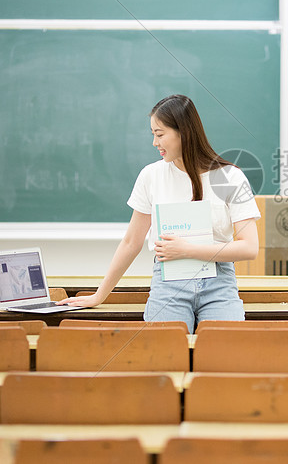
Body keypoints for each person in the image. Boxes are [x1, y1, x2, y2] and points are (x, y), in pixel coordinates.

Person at [58, 94, 260, 332]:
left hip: (219, 281)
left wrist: (188, 250)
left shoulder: (230, 176)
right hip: (169, 282)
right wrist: (98, 296)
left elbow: (249, 248)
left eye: (160, 134)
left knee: (222, 350)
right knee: (165, 349)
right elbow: (131, 242)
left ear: (183, 132)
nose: (154, 142)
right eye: (153, 134)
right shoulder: (151, 176)